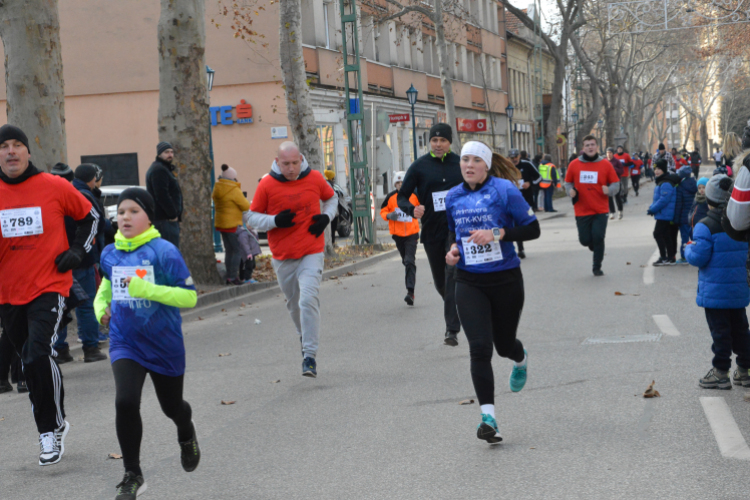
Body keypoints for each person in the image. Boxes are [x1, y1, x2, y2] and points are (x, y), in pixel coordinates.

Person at [0, 124, 99, 466]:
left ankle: (50, 429)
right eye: (4, 147)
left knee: (36, 351)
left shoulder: (53, 186)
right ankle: (52, 422)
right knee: (31, 362)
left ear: (28, 152)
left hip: (49, 286)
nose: (11, 151)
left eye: (17, 145)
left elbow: (92, 217)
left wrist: (77, 252)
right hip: (8, 293)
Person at [94, 188, 200, 500]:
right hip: (125, 341)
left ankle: (185, 430)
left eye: (133, 211)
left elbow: (189, 296)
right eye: (121, 211)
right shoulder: (109, 254)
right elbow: (106, 288)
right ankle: (132, 474)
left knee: (172, 408)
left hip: (163, 343)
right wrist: (102, 309)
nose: (125, 216)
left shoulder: (164, 252)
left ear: (148, 217)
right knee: (125, 401)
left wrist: (147, 289)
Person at [444, 141, 540, 444]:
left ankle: (520, 357)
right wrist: (453, 250)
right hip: (469, 281)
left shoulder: (505, 190)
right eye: (464, 160)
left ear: (486, 165)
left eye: (475, 160)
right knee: (480, 348)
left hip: (506, 280)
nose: (469, 165)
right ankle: (489, 419)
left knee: (503, 345)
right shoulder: (453, 196)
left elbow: (532, 229)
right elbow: (454, 232)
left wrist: (497, 233)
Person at [246, 142, 338, 377]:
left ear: (301, 159)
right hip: (283, 256)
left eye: (295, 163)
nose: (291, 168)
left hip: (311, 250)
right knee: (294, 304)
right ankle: (303, 335)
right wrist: (275, 221)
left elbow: (332, 199)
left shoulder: (315, 178)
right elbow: (252, 218)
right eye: (285, 163)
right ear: (277, 162)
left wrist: (326, 218)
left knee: (308, 299)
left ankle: (309, 356)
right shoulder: (267, 184)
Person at [397, 123, 464, 346]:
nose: (437, 144)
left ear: (449, 142)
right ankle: (457, 307)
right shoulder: (419, 166)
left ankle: (451, 330)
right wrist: (411, 209)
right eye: (434, 141)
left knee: (451, 273)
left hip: (456, 230)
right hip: (432, 230)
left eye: (442, 141)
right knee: (440, 282)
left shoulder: (461, 164)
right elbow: (402, 196)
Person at [685, 175, 750, 389]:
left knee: (720, 333)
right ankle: (744, 370)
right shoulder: (742, 224)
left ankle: (721, 372)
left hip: (715, 295)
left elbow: (699, 257)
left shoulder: (704, 226)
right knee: (741, 331)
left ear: (709, 200)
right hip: (739, 290)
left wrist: (688, 248)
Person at [51, 164, 108, 362]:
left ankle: (60, 349)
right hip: (83, 258)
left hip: (57, 261)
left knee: (59, 306)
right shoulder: (81, 196)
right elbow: (99, 224)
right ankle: (90, 348)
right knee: (86, 304)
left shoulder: (49, 199)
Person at [564, 135, 620, 276]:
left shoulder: (605, 164)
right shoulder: (574, 164)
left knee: (598, 237)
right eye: (587, 145)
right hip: (581, 209)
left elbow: (615, 183)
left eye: (592, 144)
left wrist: (610, 190)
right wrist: (569, 191)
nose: (590, 147)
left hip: (600, 209)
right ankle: (593, 245)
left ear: (597, 147)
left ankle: (597, 266)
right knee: (585, 240)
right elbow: (568, 182)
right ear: (583, 148)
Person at [381, 171, 420, 306]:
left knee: (409, 260)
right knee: (406, 261)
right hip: (397, 235)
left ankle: (410, 292)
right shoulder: (391, 197)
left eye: (402, 182)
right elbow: (383, 211)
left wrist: (420, 211)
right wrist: (389, 215)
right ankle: (411, 270)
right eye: (397, 183)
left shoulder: (414, 195)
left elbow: (422, 206)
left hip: (412, 233)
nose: (400, 185)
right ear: (394, 184)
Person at [212, 164, 251, 285]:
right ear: (233, 178)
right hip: (232, 224)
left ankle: (229, 275)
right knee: (237, 250)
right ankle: (233, 276)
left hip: (222, 223)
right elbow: (246, 206)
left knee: (228, 250)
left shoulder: (218, 188)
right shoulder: (233, 190)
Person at [146, 142, 183, 247]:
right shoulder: (159, 170)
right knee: (169, 252)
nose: (170, 155)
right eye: (166, 152)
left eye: (171, 152)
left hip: (165, 220)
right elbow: (162, 195)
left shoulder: (162, 169)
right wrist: (172, 214)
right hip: (165, 221)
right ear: (159, 154)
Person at [508, 149, 541, 258]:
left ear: (519, 156)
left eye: (516, 157)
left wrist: (530, 183)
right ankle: (519, 249)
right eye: (512, 158)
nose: (514, 160)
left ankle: (520, 245)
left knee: (523, 224)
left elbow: (539, 177)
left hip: (526, 199)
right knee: (514, 224)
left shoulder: (527, 164)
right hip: (511, 200)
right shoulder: (506, 167)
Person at [648, 160, 678, 266]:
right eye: (655, 169)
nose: (656, 171)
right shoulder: (662, 181)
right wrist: (651, 207)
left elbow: (663, 200)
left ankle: (664, 257)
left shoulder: (666, 183)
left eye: (659, 169)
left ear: (664, 170)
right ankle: (670, 257)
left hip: (665, 214)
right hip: (663, 213)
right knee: (665, 235)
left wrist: (653, 209)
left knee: (657, 234)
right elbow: (658, 199)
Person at [673, 166, 698, 265]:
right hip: (694, 216)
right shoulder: (695, 184)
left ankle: (684, 257)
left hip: (683, 217)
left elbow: (679, 204)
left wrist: (675, 219)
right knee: (695, 237)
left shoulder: (680, 186)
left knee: (684, 237)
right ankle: (697, 254)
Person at [606, 148, 625, 220]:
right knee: (609, 197)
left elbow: (621, 171)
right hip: (608, 182)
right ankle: (612, 212)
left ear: (613, 154)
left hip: (616, 181)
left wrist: (614, 168)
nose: (608, 154)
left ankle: (620, 211)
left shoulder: (617, 162)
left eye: (610, 153)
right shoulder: (604, 161)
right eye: (607, 153)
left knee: (617, 197)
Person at [324, 169, 339, 246]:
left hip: (331, 211)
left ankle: (332, 241)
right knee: (332, 227)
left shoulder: (329, 184)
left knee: (333, 227)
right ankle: (332, 242)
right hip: (330, 211)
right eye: (333, 177)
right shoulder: (329, 185)